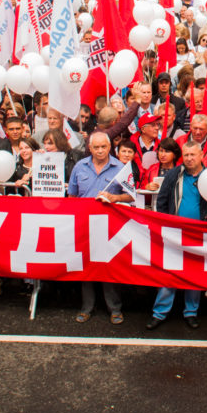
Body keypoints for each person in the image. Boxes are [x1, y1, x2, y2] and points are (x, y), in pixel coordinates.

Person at [68, 132, 134, 324]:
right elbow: (71, 196)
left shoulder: (120, 168)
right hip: (84, 225)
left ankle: (114, 308)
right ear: (89, 148)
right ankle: (87, 307)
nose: (99, 151)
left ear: (109, 147)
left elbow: (131, 195)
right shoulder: (80, 167)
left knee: (109, 267)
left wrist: (115, 198)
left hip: (109, 227)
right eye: (96, 147)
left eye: (103, 147)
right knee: (86, 267)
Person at [147, 141, 207, 330]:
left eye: (193, 155)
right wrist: (167, 225)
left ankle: (191, 312)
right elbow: (162, 201)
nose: (189, 158)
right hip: (175, 232)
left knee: (194, 274)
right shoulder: (174, 174)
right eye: (186, 155)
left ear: (201, 156)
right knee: (169, 273)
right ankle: (160, 312)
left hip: (199, 233)